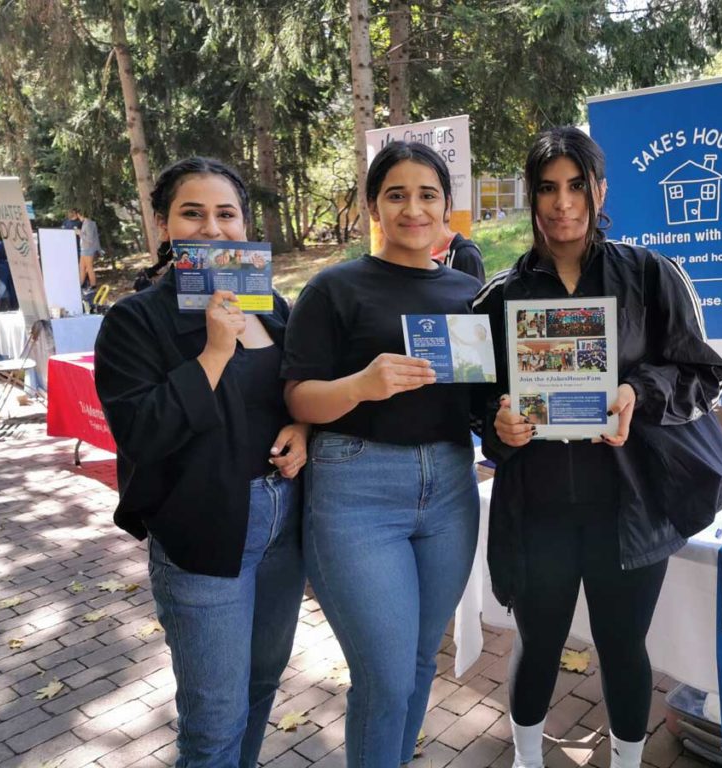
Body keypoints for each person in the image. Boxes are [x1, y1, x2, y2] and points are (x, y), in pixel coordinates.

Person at [472, 126, 722, 768]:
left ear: (600, 189)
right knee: (539, 641)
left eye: (577, 185)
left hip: (631, 504)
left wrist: (636, 392)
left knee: (621, 646)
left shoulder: (648, 275)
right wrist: (496, 425)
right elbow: (476, 400)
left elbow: (702, 375)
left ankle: (627, 760)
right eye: (548, 188)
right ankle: (528, 758)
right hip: (538, 511)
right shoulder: (502, 298)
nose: (564, 203)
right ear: (530, 197)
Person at [94, 157, 308, 768]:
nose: (213, 228)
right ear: (163, 224)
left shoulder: (272, 304)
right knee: (213, 720)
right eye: (193, 213)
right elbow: (140, 431)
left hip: (283, 528)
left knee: (262, 683)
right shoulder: (136, 320)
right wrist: (214, 352)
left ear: (244, 225)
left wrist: (304, 427)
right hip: (204, 536)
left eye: (226, 213)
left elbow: (295, 389)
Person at [282, 142, 481, 767]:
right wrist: (361, 386)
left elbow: (479, 395)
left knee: (422, 660)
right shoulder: (335, 288)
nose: (413, 208)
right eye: (396, 194)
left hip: (450, 485)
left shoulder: (469, 291)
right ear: (374, 206)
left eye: (427, 195)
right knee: (387, 675)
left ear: (447, 206)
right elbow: (298, 398)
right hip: (357, 491)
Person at [69, 208, 101, 290]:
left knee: (89, 267)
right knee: (81, 267)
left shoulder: (88, 224)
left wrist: (80, 233)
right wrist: (80, 233)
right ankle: (81, 284)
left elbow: (90, 239)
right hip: (84, 248)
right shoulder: (86, 223)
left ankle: (93, 285)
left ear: (80, 215)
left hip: (88, 249)